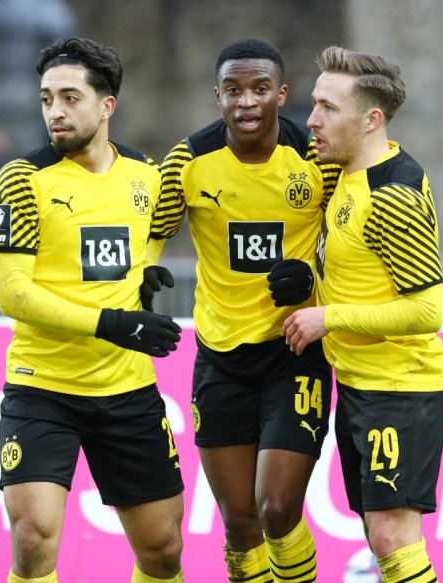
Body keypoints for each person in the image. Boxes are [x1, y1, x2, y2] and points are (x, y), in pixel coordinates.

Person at [0, 37, 185, 583]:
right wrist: (111, 323)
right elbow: (13, 293)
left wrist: (145, 271)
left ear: (107, 105)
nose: (55, 111)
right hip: (42, 389)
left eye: (70, 98)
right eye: (47, 98)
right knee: (32, 538)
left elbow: (150, 238)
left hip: (127, 390)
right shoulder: (20, 180)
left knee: (164, 549)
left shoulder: (147, 174)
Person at [145, 38, 339, 583]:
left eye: (259, 88)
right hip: (221, 358)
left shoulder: (317, 158)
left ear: (282, 93)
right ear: (218, 97)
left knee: (276, 509)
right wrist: (144, 272)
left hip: (293, 351)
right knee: (240, 523)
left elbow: (349, 243)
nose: (246, 101)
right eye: (233, 90)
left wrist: (314, 278)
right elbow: (151, 235)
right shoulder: (188, 161)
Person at [283, 46, 443, 583]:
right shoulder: (347, 170)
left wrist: (329, 317)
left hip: (401, 386)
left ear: (371, 119)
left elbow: (427, 310)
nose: (312, 119)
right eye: (315, 103)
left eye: (328, 108)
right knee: (379, 539)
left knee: (392, 537)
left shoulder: (391, 195)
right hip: (360, 382)